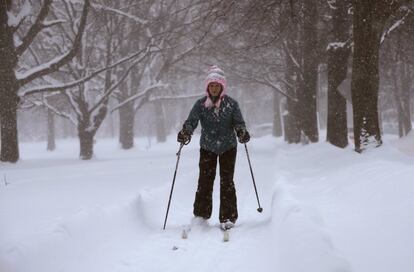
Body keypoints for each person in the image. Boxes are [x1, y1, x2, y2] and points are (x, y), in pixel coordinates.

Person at [177, 65, 250, 230]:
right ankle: (201, 216)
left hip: (228, 147)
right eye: (212, 85)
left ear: (222, 87)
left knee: (227, 182)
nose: (214, 88)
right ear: (207, 87)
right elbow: (191, 122)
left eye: (217, 85)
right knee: (205, 181)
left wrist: (241, 132)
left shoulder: (231, 104)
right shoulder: (201, 104)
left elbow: (239, 123)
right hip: (207, 147)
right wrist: (186, 132)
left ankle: (228, 217)